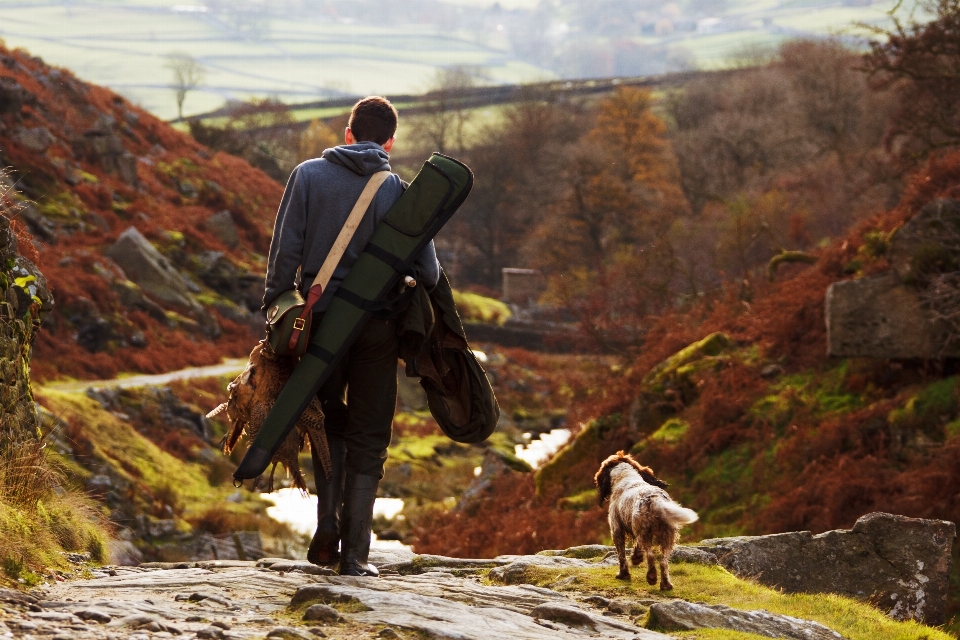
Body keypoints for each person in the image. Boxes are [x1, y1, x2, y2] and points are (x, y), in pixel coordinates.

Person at [262, 96, 440, 577]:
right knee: (368, 435)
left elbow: (284, 256)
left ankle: (325, 532)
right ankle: (356, 556)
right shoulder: (398, 191)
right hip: (377, 329)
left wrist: (278, 313)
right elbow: (427, 269)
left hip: (318, 325)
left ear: (346, 134)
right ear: (389, 143)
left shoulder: (306, 176)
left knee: (325, 425)